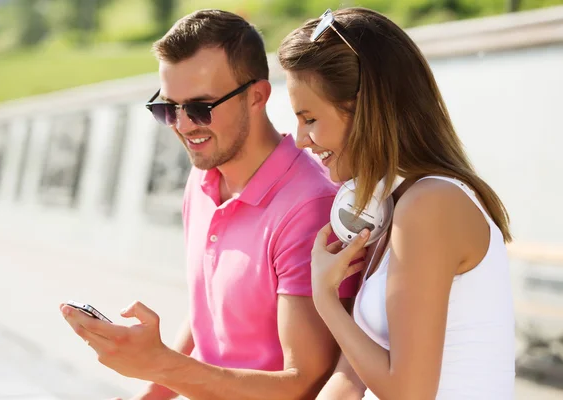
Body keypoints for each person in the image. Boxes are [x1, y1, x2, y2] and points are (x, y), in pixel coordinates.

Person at [60, 9, 359, 400]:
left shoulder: (311, 207)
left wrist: (159, 363)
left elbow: (303, 383)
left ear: (257, 95)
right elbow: (212, 318)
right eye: (167, 108)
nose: (183, 126)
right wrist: (151, 395)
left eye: (200, 108)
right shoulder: (203, 176)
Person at [277, 7, 516, 400]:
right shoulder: (395, 204)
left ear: (364, 111)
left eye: (310, 119)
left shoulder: (431, 205)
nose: (301, 139)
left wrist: (326, 299)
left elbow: (408, 393)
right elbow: (351, 377)